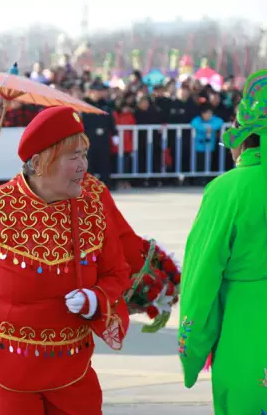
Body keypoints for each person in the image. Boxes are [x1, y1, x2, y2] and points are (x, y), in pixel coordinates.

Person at [0, 106, 131, 415]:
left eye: (84, 155)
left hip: (71, 361)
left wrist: (96, 299)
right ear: (39, 162)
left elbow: (116, 271)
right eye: (73, 157)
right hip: (3, 361)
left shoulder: (93, 201)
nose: (83, 166)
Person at [178, 70, 267, 414]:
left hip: (246, 333)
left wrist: (193, 348)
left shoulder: (227, 190)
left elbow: (201, 279)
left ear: (244, 140)